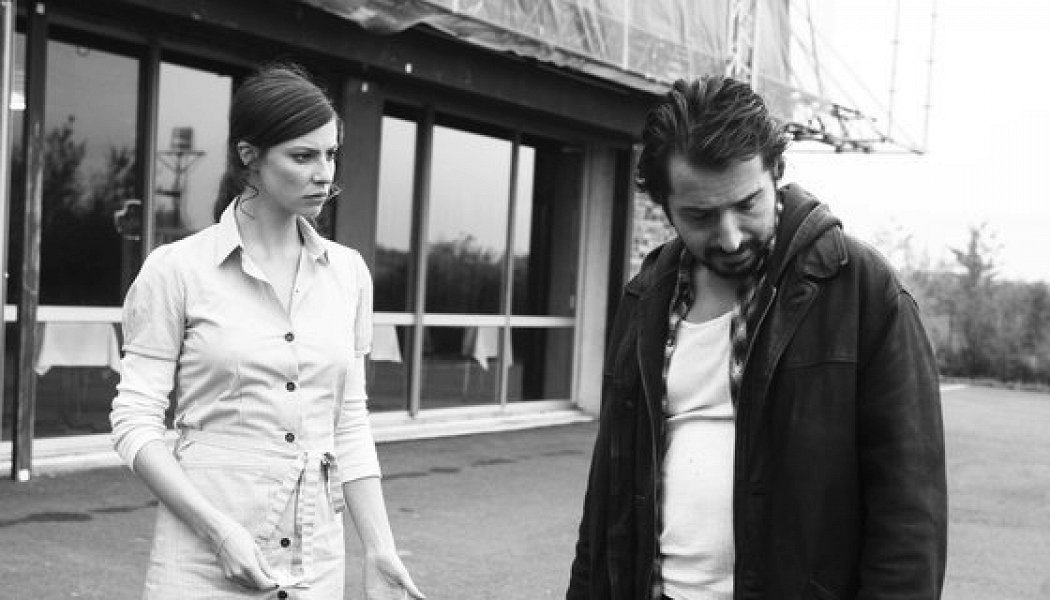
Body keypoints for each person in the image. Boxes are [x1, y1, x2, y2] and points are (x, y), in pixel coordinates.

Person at [567, 76, 947, 599]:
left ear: (777, 173)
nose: (729, 237)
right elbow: (605, 492)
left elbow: (909, 514)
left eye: (747, 204)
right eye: (700, 216)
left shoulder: (862, 290)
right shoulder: (646, 297)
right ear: (664, 206)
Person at [111, 64, 424, 599]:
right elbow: (134, 422)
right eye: (302, 157)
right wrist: (218, 532)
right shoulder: (177, 269)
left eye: (330, 154)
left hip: (314, 554)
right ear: (249, 155)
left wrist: (379, 547)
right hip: (204, 556)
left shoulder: (348, 273)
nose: (324, 173)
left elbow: (348, 422)